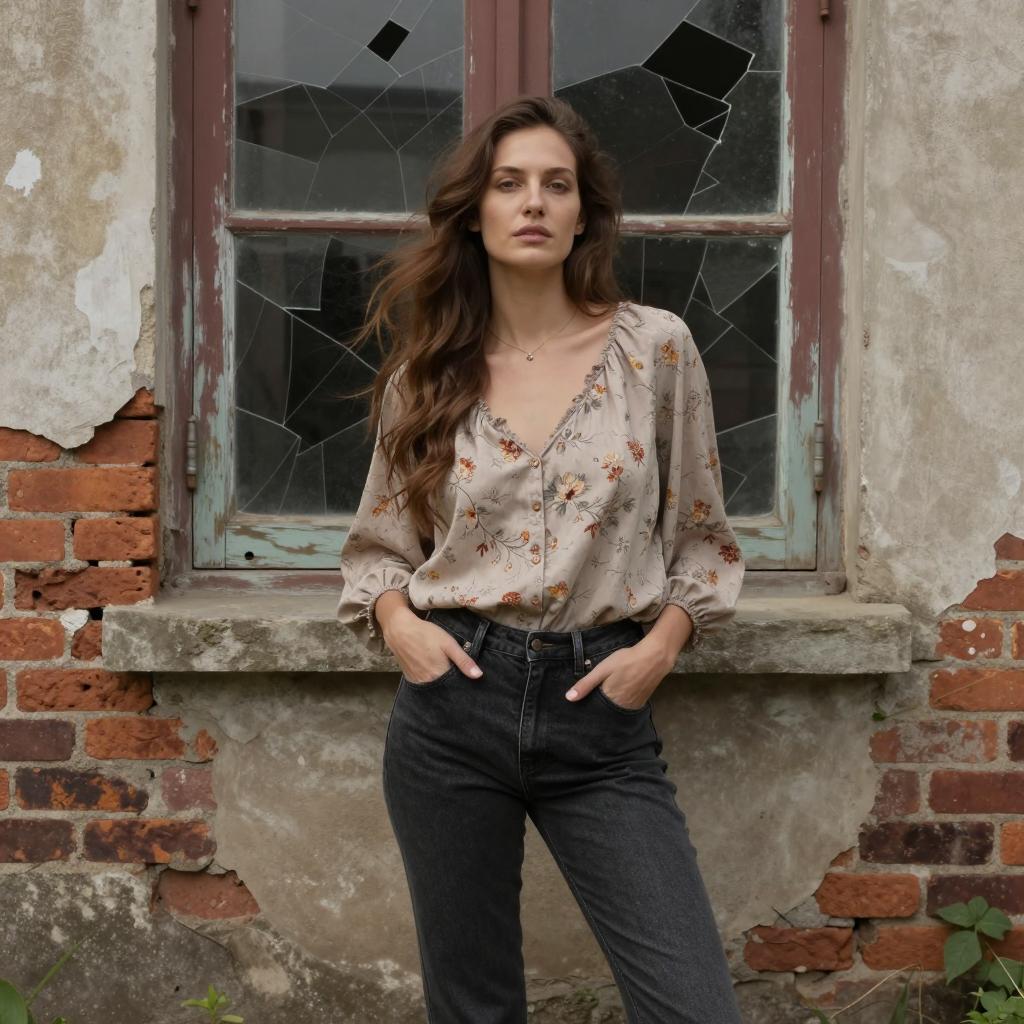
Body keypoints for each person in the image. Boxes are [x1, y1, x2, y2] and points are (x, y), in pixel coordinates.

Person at [337, 95, 746, 1024]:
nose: (533, 203)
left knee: (693, 1006)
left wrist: (662, 647)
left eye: (556, 185)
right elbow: (379, 549)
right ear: (473, 214)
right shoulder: (427, 372)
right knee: (474, 1006)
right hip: (452, 710)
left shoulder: (657, 349)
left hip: (601, 713)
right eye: (508, 183)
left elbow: (702, 535)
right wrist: (402, 629)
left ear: (581, 213)